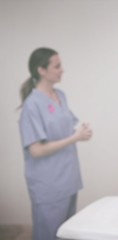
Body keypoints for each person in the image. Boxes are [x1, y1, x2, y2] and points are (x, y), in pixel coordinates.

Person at [18, 47, 93, 240]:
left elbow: (67, 125)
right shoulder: (32, 105)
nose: (62, 70)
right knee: (48, 235)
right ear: (41, 70)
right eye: (57, 66)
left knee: (65, 234)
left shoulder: (60, 95)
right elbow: (35, 150)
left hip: (68, 179)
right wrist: (74, 138)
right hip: (48, 185)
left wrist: (81, 131)